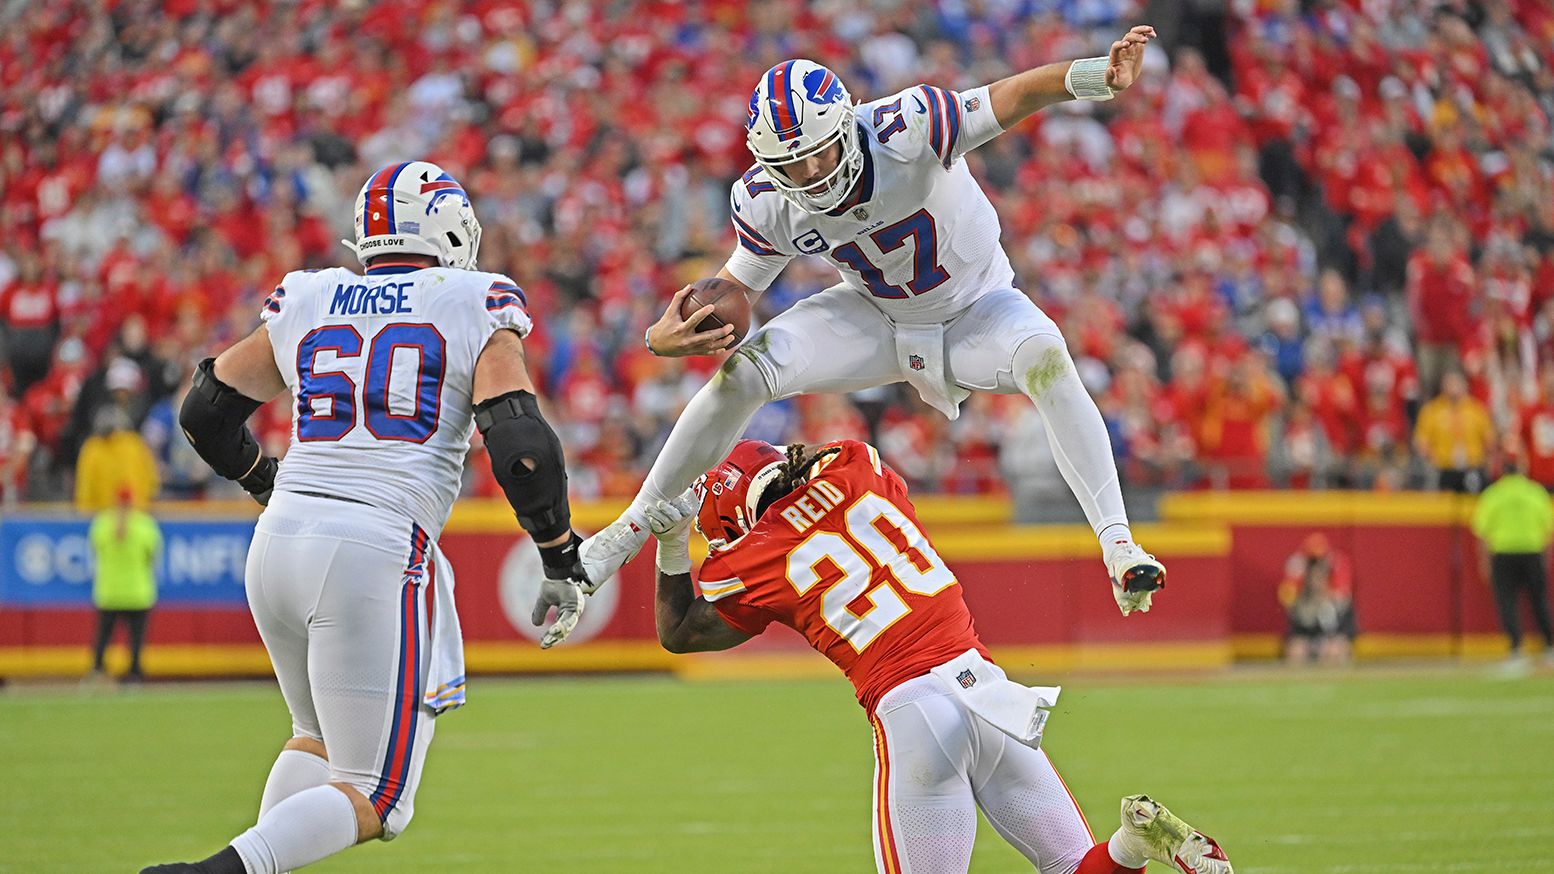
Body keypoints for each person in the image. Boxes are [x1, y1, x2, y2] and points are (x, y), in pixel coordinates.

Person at [567, 29, 1169, 633]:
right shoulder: (767, 200)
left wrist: (1097, 75)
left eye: (817, 153)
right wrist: (661, 338)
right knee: (743, 373)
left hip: (977, 307)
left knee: (1046, 359)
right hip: (876, 315)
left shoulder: (908, 127)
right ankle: (630, 529)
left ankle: (1118, 544)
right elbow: (734, 291)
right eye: (789, 164)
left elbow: (1012, 96)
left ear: (846, 125)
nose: (807, 173)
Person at [141, 161, 591, 874]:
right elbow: (521, 447)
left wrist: (261, 478)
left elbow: (204, 411)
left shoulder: (313, 293)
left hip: (280, 539)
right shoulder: (474, 298)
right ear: (450, 229)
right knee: (376, 795)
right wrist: (559, 548)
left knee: (314, 737)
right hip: (374, 546)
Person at [646, 438, 1233, 874]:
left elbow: (679, 633)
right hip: (986, 689)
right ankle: (1132, 847)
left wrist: (672, 544)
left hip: (911, 708)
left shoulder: (750, 559)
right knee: (1073, 864)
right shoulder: (858, 464)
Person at [1471, 460, 1554, 672]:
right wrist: (1546, 556)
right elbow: (1548, 529)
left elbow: (1482, 532)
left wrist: (1484, 561)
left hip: (1504, 552)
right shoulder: (1535, 492)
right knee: (1539, 601)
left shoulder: (1494, 494)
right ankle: (1550, 646)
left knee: (1507, 603)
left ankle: (1516, 649)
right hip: (1532, 551)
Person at [87, 486, 162, 682]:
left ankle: (97, 671)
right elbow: (153, 556)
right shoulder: (145, 524)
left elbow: (95, 551)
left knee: (103, 638)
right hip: (138, 591)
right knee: (136, 640)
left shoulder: (102, 523)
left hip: (109, 591)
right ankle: (135, 674)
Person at [1277, 533, 1356, 665]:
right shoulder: (1300, 595)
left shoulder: (1338, 592)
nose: (1316, 580)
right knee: (1296, 650)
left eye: (1321, 574)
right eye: (1313, 574)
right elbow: (1294, 619)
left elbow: (1346, 628)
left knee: (1334, 650)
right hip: (1308, 636)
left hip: (1332, 637)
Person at [1413, 369, 1495, 493]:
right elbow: (1421, 441)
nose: (1453, 388)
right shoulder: (1431, 411)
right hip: (1443, 468)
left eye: (1456, 383)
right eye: (1450, 384)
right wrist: (1431, 459)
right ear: (1442, 386)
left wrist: (1485, 461)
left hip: (1471, 467)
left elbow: (1489, 440)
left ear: (1464, 386)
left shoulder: (1476, 410)